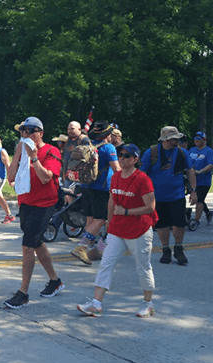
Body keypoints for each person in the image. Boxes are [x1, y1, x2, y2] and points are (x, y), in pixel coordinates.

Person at [77, 144, 158, 318]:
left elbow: (150, 207)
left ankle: (148, 304)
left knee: (143, 267)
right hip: (117, 229)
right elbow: (111, 203)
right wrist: (109, 223)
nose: (121, 158)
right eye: (120, 154)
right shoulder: (116, 177)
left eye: (126, 155)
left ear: (135, 160)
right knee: (106, 264)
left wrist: (127, 212)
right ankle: (96, 304)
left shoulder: (142, 179)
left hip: (139, 230)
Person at [4, 117, 65, 308]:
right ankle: (55, 281)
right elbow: (11, 177)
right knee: (37, 243)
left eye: (30, 130)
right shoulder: (21, 151)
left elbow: (46, 177)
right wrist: (17, 156)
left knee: (28, 246)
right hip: (26, 202)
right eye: (22, 131)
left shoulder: (51, 151)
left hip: (44, 204)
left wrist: (35, 157)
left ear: (40, 133)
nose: (25, 134)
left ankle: (23, 293)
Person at [141, 126, 197, 266]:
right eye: (174, 139)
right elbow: (142, 174)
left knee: (179, 223)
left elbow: (190, 171)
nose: (177, 140)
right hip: (157, 196)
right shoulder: (151, 153)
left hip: (177, 195)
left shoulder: (182, 152)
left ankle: (178, 248)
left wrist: (193, 190)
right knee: (162, 224)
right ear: (166, 140)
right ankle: (165, 249)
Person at [71, 121, 121, 266]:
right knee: (102, 219)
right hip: (102, 188)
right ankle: (82, 246)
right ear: (107, 135)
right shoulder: (109, 147)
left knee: (90, 218)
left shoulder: (89, 145)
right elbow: (117, 170)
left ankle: (92, 250)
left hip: (86, 186)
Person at [189, 131, 213, 227]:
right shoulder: (191, 150)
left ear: (204, 140)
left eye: (199, 138)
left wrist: (199, 171)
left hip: (204, 180)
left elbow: (210, 165)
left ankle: (196, 221)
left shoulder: (208, 151)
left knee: (199, 199)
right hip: (191, 179)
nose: (196, 140)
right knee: (198, 199)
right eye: (195, 138)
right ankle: (208, 212)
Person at [61, 121, 90, 192]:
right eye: (69, 129)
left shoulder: (84, 140)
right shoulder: (68, 141)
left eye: (72, 129)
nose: (70, 131)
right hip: (68, 177)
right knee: (67, 198)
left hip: (79, 179)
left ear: (79, 129)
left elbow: (88, 159)